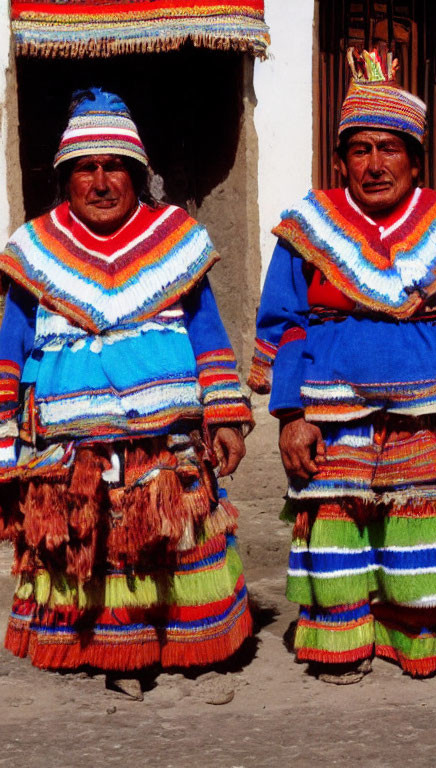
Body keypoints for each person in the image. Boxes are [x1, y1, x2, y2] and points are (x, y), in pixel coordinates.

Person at [249, 48, 436, 693]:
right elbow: (284, 324)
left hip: (432, 407)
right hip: (334, 405)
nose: (374, 164)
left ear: (414, 156)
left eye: (389, 148)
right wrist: (291, 415)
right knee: (341, 523)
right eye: (360, 149)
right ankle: (345, 640)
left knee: (435, 520)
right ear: (340, 158)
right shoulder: (308, 228)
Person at [0, 89, 254, 698]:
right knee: (99, 545)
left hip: (162, 433)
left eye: (114, 166)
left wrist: (223, 413)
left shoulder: (175, 238)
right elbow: (10, 346)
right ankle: (119, 655)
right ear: (66, 178)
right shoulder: (35, 248)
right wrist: (6, 431)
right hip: (73, 440)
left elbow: (208, 333)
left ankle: (191, 647)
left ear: (137, 173)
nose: (101, 181)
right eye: (86, 168)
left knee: (174, 537)